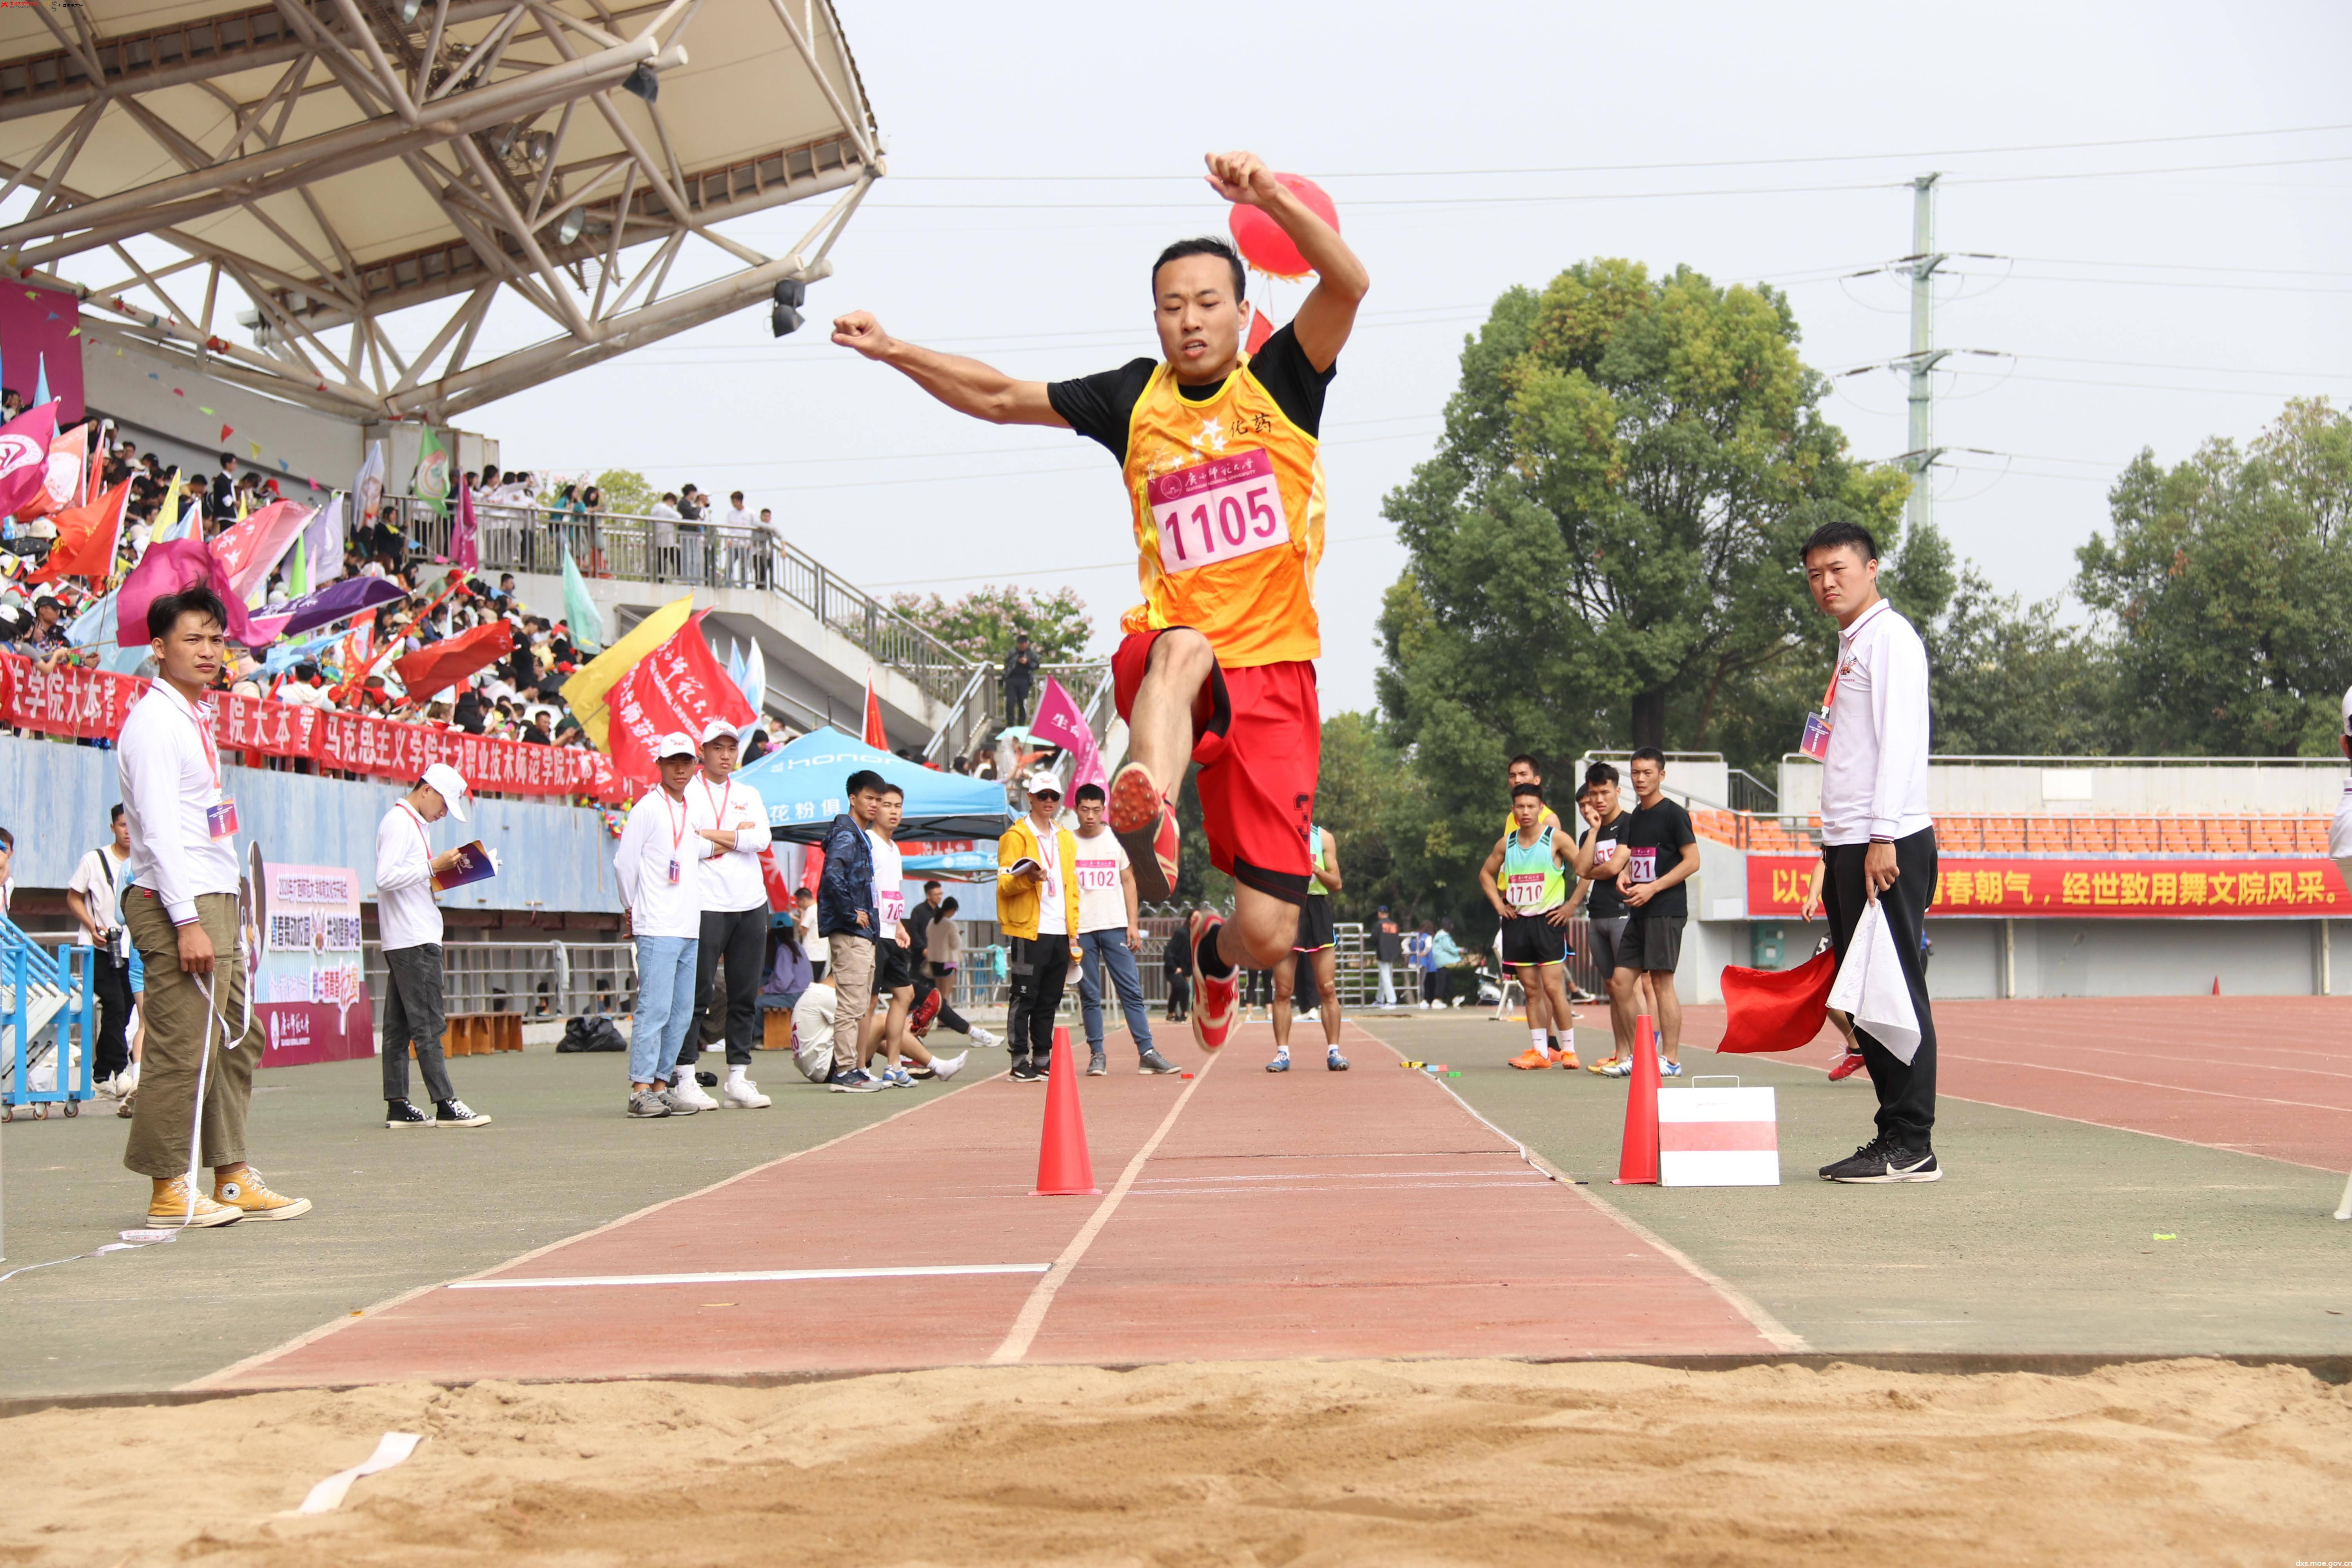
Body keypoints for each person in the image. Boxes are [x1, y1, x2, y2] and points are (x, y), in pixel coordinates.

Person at [832, 149, 1370, 1057]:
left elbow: (1348, 282)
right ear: (1155, 318)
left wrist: (1269, 194)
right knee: (1180, 644)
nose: (1190, 319)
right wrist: (894, 350)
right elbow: (1001, 397)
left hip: (1276, 674)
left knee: (1272, 931)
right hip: (1176, 657)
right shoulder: (1134, 398)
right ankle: (1148, 795)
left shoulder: (1282, 379)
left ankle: (1209, 948)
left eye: (1208, 302)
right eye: (1172, 304)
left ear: (1243, 312)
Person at [117, 585, 310, 1228]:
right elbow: (162, 834)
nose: (206, 651)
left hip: (214, 896)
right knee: (182, 1048)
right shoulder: (153, 725)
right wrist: (188, 919)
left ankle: (229, 1176)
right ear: (157, 649)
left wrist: (229, 909)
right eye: (191, 639)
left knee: (234, 1037)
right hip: (180, 900)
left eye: (215, 639)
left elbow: (206, 825)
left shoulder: (195, 718)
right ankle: (169, 1188)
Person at [1803, 519, 1942, 1183]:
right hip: (1850, 841)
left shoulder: (1890, 639)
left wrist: (1883, 835)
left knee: (1893, 992)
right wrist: (1832, 849)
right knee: (1860, 996)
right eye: (1814, 575)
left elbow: (1903, 742)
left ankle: (1912, 1140)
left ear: (1872, 568)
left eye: (1838, 569)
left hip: (1884, 841)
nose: (1826, 583)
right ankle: (1896, 1136)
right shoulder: (1853, 644)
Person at [375, 764, 493, 1128]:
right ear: (426, 790)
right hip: (414, 937)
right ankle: (445, 1102)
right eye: (444, 804)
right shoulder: (400, 822)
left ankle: (398, 1104)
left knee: (400, 1025)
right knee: (428, 1023)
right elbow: (385, 877)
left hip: (407, 936)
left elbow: (403, 878)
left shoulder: (410, 822)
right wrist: (432, 866)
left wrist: (441, 871)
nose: (444, 813)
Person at [614, 733, 714, 1118]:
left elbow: (694, 850)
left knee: (681, 1011)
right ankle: (640, 1088)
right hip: (657, 923)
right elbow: (625, 863)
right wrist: (633, 907)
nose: (680, 768)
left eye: (686, 761)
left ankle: (660, 1085)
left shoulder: (693, 809)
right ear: (659, 764)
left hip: (688, 924)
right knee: (654, 1009)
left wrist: (739, 838)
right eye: (673, 761)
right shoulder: (646, 809)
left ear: (695, 764)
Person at [679, 719, 775, 1110]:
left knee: (744, 994)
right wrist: (735, 837)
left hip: (751, 902)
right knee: (698, 993)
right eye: (717, 748)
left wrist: (714, 835)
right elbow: (687, 843)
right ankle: (685, 1075)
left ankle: (738, 1077)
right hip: (705, 902)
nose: (725, 755)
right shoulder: (688, 792)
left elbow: (763, 839)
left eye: (731, 748)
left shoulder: (749, 792)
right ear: (702, 751)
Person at [1588, 748, 1697, 1078]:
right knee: (1621, 983)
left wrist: (1654, 887)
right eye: (1636, 773)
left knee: (1662, 983)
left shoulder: (1674, 814)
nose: (1641, 779)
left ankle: (1672, 1060)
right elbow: (1635, 859)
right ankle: (1642, 1055)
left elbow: (1692, 861)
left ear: (1661, 776)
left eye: (1648, 773)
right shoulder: (1636, 817)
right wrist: (1625, 876)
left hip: (1665, 909)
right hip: (1637, 910)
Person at [1069, 782, 1179, 1075]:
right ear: (1076, 810)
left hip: (1116, 926)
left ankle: (1147, 1052)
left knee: (1131, 990)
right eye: (1084, 810)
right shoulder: (1066, 843)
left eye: (1096, 810)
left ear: (1103, 810)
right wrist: (1069, 933)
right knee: (1090, 994)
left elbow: (1129, 881)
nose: (1090, 816)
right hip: (1082, 930)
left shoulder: (1117, 840)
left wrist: (1133, 923)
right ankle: (1097, 1055)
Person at [1481, 784, 1581, 1070]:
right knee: (1531, 990)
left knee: (1553, 988)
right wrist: (1500, 906)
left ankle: (1569, 1050)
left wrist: (1571, 906)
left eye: (1531, 806)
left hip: (1548, 921)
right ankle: (1540, 1052)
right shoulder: (1506, 844)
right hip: (1518, 923)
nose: (1526, 812)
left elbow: (1585, 870)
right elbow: (1486, 874)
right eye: (1520, 807)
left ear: (1541, 809)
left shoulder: (1556, 839)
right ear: (1513, 810)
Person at [995, 769, 1079, 1082]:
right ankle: (1019, 1061)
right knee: (1024, 995)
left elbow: (1072, 889)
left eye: (1053, 796)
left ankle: (1043, 1057)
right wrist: (1028, 879)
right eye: (1042, 795)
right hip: (1028, 929)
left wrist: (1074, 933)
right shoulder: (1016, 837)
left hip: (1060, 930)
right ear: (1029, 797)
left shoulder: (1066, 839)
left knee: (1050, 998)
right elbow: (1004, 884)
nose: (1048, 801)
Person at [816, 769, 889, 1093]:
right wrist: (851, 913)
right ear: (853, 798)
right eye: (869, 798)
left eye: (879, 800)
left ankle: (853, 1069)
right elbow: (832, 876)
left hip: (862, 931)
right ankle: (845, 1071)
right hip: (851, 931)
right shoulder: (847, 833)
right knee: (851, 1003)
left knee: (858, 1003)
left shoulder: (854, 833)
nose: (875, 805)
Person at [1570, 766, 1637, 1074]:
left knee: (1628, 988)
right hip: (1597, 915)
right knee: (1611, 988)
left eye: (1604, 793)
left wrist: (1597, 870)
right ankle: (1622, 1054)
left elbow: (1612, 869)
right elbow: (1581, 869)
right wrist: (1595, 832)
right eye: (1593, 794)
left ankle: (1642, 1054)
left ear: (1617, 791)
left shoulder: (1630, 824)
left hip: (1624, 914)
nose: (1598, 800)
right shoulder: (1589, 833)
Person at [65, 804, 135, 1095]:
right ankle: (121, 1072)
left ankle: (101, 1072)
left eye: (132, 825)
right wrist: (92, 927)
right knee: (115, 1004)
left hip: (132, 948)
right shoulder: (94, 860)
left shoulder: (142, 861)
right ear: (113, 828)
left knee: (127, 1006)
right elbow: (73, 897)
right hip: (98, 947)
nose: (128, 831)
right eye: (122, 826)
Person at [1269, 822, 1348, 1072]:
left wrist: (1314, 869)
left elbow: (1336, 884)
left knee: (1327, 987)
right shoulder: (1275, 833)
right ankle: (1282, 1053)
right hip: (1286, 909)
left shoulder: (1323, 837)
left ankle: (1334, 1051)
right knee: (1283, 989)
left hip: (1316, 910)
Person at [906, 882, 997, 1047]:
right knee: (940, 995)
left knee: (933, 994)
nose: (939, 897)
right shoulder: (929, 916)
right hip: (939, 960)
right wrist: (925, 949)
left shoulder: (934, 920)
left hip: (934, 960)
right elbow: (953, 942)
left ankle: (938, 1020)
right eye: (937, 894)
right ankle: (941, 1021)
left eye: (941, 894)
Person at [1162, 908, 1192, 1022]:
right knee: (1184, 988)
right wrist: (1175, 968)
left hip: (1184, 970)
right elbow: (1169, 952)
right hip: (1173, 969)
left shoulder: (1194, 936)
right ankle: (1184, 1013)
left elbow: (1190, 956)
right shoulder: (1182, 933)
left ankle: (1171, 1014)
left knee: (1177, 990)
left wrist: (1188, 972)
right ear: (1189, 920)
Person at [1002, 632, 1037, 727]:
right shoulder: (1012, 652)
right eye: (1020, 644)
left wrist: (1027, 662)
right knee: (1010, 702)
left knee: (1022, 703)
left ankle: (1021, 723)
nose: (1021, 646)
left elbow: (1036, 665)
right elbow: (1007, 663)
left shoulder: (1031, 653)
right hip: (1012, 679)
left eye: (1023, 644)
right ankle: (1010, 723)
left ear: (1027, 643)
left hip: (1024, 680)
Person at [1373, 906, 1402, 1010]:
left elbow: (1374, 939)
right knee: (1384, 976)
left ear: (1379, 914)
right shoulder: (1395, 925)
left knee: (1385, 977)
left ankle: (1391, 1000)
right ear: (1388, 914)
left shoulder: (1379, 925)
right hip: (1393, 954)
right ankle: (1380, 999)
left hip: (1382, 953)